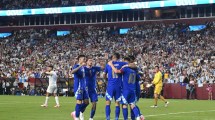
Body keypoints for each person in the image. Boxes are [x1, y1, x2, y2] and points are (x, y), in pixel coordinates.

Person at [103, 53, 127, 120]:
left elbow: (104, 75)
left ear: (113, 57)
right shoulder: (122, 64)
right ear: (118, 57)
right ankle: (116, 118)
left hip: (110, 86)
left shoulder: (108, 64)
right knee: (117, 103)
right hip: (118, 86)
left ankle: (108, 118)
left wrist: (106, 80)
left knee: (108, 102)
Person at [71, 55, 89, 120]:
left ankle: (75, 112)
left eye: (85, 59)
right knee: (79, 102)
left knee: (87, 102)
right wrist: (80, 66)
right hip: (78, 87)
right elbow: (72, 72)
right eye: (83, 59)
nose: (85, 60)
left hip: (84, 87)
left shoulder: (83, 68)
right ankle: (76, 117)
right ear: (80, 59)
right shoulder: (77, 66)